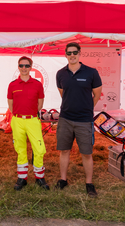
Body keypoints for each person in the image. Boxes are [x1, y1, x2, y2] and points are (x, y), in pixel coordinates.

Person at [55, 42, 102, 198]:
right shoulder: (60, 74)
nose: (72, 55)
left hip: (84, 120)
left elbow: (97, 94)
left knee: (87, 153)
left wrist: (87, 108)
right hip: (65, 119)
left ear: (80, 53)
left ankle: (89, 183)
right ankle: (63, 180)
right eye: (69, 53)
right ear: (65, 54)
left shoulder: (91, 72)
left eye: (75, 52)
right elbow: (63, 94)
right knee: (64, 150)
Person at [7, 56, 49, 191]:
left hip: (32, 120)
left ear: (31, 67)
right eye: (21, 65)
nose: (24, 68)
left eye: (26, 66)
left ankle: (39, 177)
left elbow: (40, 103)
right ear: (18, 67)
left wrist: (30, 114)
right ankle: (22, 177)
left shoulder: (37, 84)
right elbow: (11, 104)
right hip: (17, 120)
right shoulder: (12, 85)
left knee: (39, 149)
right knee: (20, 149)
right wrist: (19, 115)